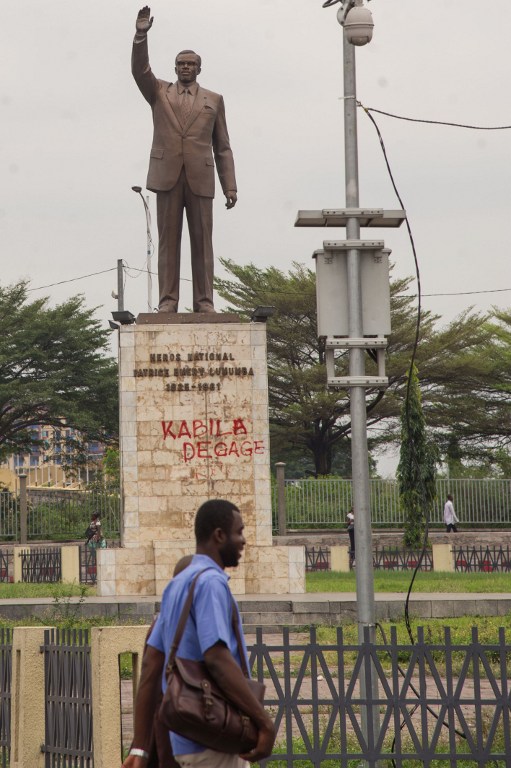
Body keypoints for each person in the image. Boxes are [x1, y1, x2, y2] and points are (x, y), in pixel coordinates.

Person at [122, 499, 275, 768]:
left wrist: (140, 747)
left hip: (184, 739)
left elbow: (151, 665)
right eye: (239, 531)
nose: (243, 541)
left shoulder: (176, 585)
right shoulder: (211, 582)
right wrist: (263, 721)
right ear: (219, 535)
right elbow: (216, 657)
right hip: (215, 735)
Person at [132, 7, 237, 314]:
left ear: (199, 69)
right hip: (167, 175)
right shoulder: (159, 92)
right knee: (168, 244)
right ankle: (168, 302)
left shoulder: (213, 100)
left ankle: (205, 303)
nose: (185, 67)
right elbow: (140, 71)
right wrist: (141, 36)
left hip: (201, 177)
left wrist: (229, 185)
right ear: (175, 67)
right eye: (181, 64)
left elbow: (224, 147)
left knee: (203, 244)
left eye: (191, 64)